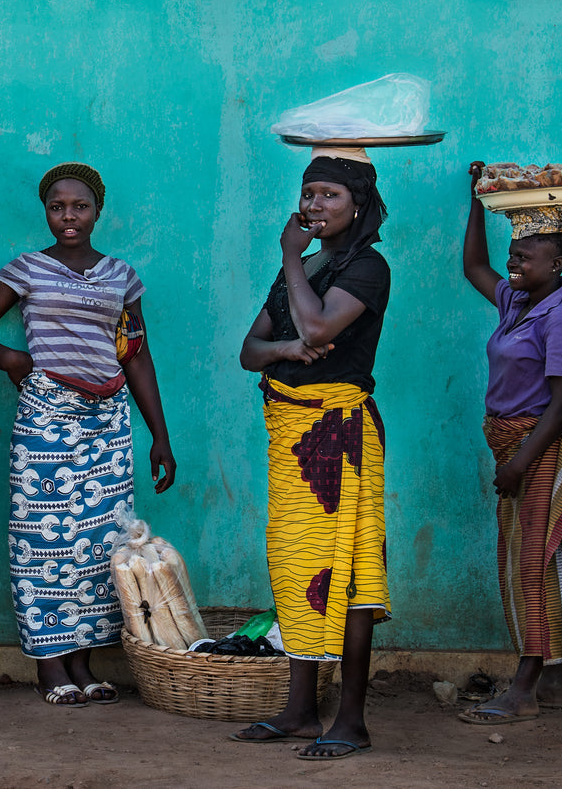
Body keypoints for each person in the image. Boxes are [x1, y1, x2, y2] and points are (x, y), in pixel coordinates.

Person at [0, 162, 176, 707]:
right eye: (57, 207)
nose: (68, 217)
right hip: (47, 416)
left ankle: (83, 663)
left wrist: (160, 435)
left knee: (99, 544)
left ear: (97, 210)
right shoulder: (28, 269)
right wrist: (14, 359)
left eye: (79, 206)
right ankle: (50, 666)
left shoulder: (121, 277)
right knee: (42, 540)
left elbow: (136, 353)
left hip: (107, 421)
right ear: (47, 212)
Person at [235, 150, 392, 760]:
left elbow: (322, 327)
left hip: (341, 441)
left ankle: (349, 720)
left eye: (329, 195)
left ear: (358, 205)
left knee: (348, 575)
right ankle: (301, 711)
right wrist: (288, 350)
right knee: (298, 564)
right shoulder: (301, 270)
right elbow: (251, 350)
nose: (315, 206)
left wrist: (288, 261)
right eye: (309, 194)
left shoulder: (369, 268)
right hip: (294, 439)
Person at [457, 160, 562, 724]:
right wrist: (476, 199)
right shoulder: (516, 303)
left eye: (528, 250)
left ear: (558, 262)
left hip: (543, 446)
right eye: (514, 246)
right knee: (548, 557)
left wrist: (519, 462)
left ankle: (524, 689)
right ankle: (558, 683)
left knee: (530, 563)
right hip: (514, 445)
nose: (514, 257)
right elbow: (473, 265)